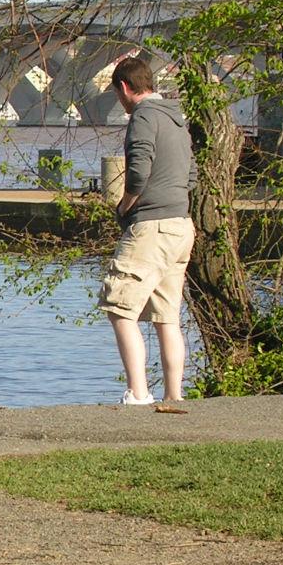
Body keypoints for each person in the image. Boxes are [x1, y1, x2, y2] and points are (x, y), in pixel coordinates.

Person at [99, 54, 197, 405]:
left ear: (124, 87)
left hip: (151, 225)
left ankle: (138, 393)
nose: (120, 102)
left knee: (119, 308)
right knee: (166, 315)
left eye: (118, 94)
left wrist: (125, 205)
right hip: (181, 225)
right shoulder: (177, 120)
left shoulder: (143, 117)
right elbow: (191, 176)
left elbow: (139, 169)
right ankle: (174, 396)